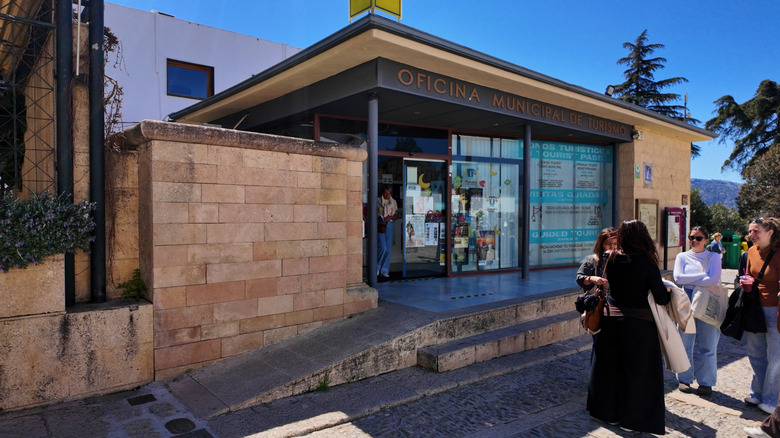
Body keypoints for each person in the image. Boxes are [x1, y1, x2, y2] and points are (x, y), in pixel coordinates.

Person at [587, 220, 670, 434]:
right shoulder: (647, 262)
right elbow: (661, 297)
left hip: (611, 321)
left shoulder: (610, 257)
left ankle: (609, 414)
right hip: (639, 325)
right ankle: (631, 421)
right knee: (637, 374)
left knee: (609, 369)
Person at [673, 226, 723, 396]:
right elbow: (678, 278)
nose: (694, 241)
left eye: (698, 238)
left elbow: (714, 279)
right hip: (685, 299)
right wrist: (703, 277)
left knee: (708, 344)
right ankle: (684, 379)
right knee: (685, 342)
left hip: (706, 299)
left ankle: (706, 382)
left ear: (706, 240)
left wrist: (693, 280)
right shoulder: (682, 256)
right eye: (691, 237)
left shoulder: (714, 257)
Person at [742, 217, 780, 415]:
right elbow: (749, 273)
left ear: (770, 232)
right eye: (750, 231)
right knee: (755, 352)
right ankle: (756, 393)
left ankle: (771, 400)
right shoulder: (751, 251)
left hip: (776, 309)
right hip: (755, 308)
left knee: (775, 357)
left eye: (756, 231)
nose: (751, 235)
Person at [576, 227, 617, 294]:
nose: (612, 247)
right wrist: (591, 279)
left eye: (615, 244)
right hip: (600, 301)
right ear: (601, 245)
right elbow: (580, 278)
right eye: (608, 244)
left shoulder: (623, 259)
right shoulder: (593, 260)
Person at [377, 186, 398, 278]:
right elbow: (373, 213)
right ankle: (376, 268)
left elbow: (396, 215)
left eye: (389, 193)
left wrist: (389, 217)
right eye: (385, 193)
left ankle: (384, 270)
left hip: (389, 224)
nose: (387, 195)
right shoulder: (377, 201)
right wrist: (381, 218)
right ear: (382, 193)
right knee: (383, 247)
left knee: (388, 249)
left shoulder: (393, 202)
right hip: (380, 224)